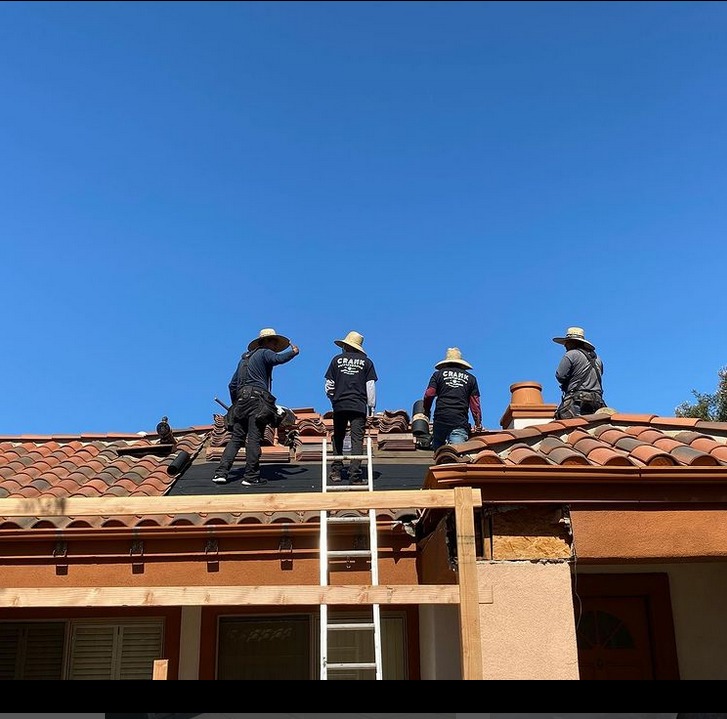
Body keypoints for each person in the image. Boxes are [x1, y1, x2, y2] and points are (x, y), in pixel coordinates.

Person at [212, 328, 299, 485]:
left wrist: (236, 405)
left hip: (241, 401)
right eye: (273, 341)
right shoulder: (264, 352)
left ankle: (221, 473)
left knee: (236, 439)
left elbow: (232, 385)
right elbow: (278, 359)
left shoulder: (243, 360)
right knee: (253, 438)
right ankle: (251, 477)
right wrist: (293, 352)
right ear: (265, 342)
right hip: (257, 400)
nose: (274, 345)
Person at [324, 330, 378, 484]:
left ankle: (336, 471)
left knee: (339, 437)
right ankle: (355, 475)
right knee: (356, 439)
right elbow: (370, 387)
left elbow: (329, 385)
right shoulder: (367, 363)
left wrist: (333, 399)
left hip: (340, 404)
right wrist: (371, 408)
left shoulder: (336, 360)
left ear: (346, 346)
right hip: (358, 405)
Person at [422, 347, 482, 451]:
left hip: (441, 419)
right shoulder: (471, 379)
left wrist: (426, 412)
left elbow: (429, 394)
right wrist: (478, 423)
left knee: (439, 456)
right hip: (459, 422)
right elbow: (475, 404)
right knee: (456, 456)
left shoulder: (438, 375)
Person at [553, 326, 605, 418]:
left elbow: (560, 376)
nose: (565, 345)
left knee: (569, 427)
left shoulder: (571, 354)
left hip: (577, 401)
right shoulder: (598, 359)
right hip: (597, 401)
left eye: (567, 342)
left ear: (573, 342)